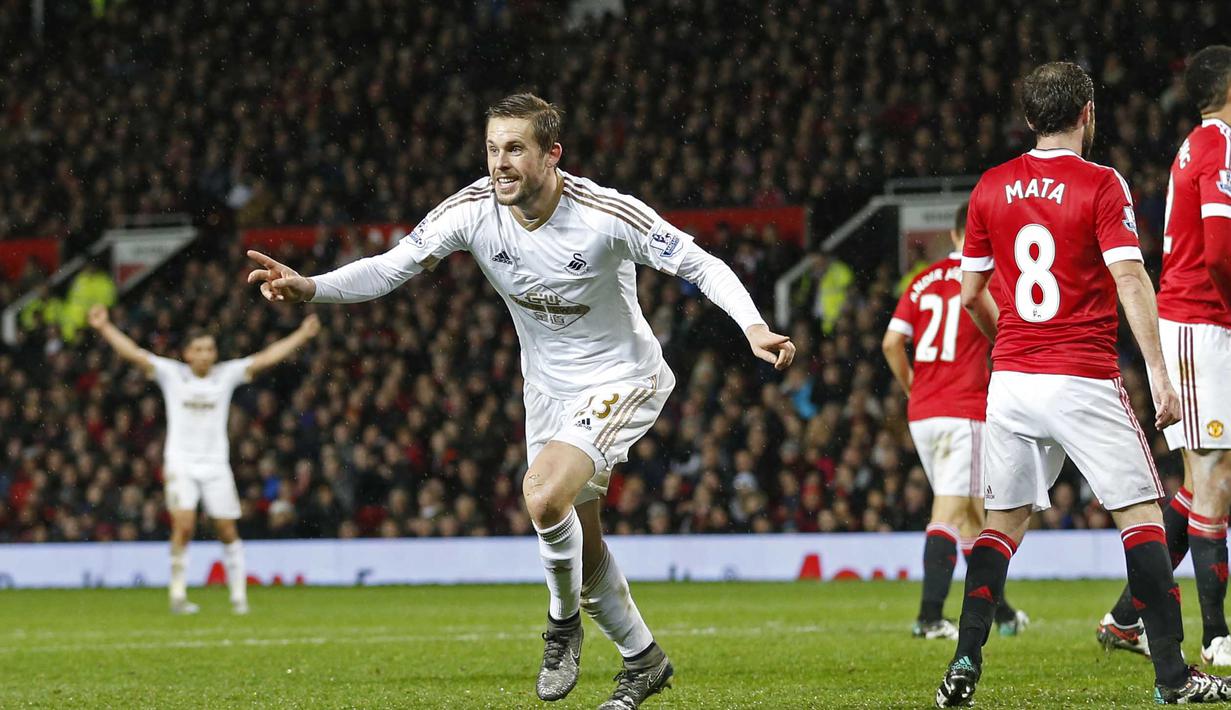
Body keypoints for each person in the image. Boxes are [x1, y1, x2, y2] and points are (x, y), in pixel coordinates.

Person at [245, 93, 794, 710]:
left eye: (514, 149)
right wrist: (312, 287)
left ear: (551, 154)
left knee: (541, 494)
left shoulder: (604, 214)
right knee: (580, 538)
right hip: (546, 390)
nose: (499, 163)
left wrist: (751, 326)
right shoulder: (474, 210)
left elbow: (700, 263)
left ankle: (562, 626)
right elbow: (392, 266)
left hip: (622, 377)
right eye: (491, 148)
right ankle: (644, 660)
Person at [934, 62, 1229, 706]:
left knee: (1000, 528)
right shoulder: (1101, 185)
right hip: (1082, 375)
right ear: (1087, 113)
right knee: (1144, 518)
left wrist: (1007, 340)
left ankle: (963, 665)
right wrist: (1160, 372)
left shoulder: (989, 187)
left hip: (1012, 379)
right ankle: (1175, 678)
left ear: (1030, 119)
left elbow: (971, 293)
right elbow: (1130, 279)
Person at [1098, 45, 1231, 666]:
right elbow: (1221, 254)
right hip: (1204, 323)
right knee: (1213, 483)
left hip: (1200, 323)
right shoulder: (1218, 146)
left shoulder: (1199, 146)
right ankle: (1216, 636)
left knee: (1204, 483)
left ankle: (1127, 618)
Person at [88, 304, 322, 615]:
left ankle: (239, 598)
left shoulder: (226, 375)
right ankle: (178, 596)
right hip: (181, 463)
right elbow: (133, 353)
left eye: (209, 348)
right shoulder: (172, 374)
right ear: (187, 354)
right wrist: (105, 328)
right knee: (183, 526)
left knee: (226, 529)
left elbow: (266, 358)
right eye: (198, 349)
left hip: (215, 466)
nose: (204, 354)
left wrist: (301, 336)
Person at [882, 202, 1027, 641]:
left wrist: (914, 391)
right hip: (963, 411)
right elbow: (1007, 334)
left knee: (968, 515)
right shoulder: (987, 279)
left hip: (923, 413)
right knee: (949, 510)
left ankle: (999, 611)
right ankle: (929, 616)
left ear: (952, 233)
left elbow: (892, 343)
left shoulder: (922, 279)